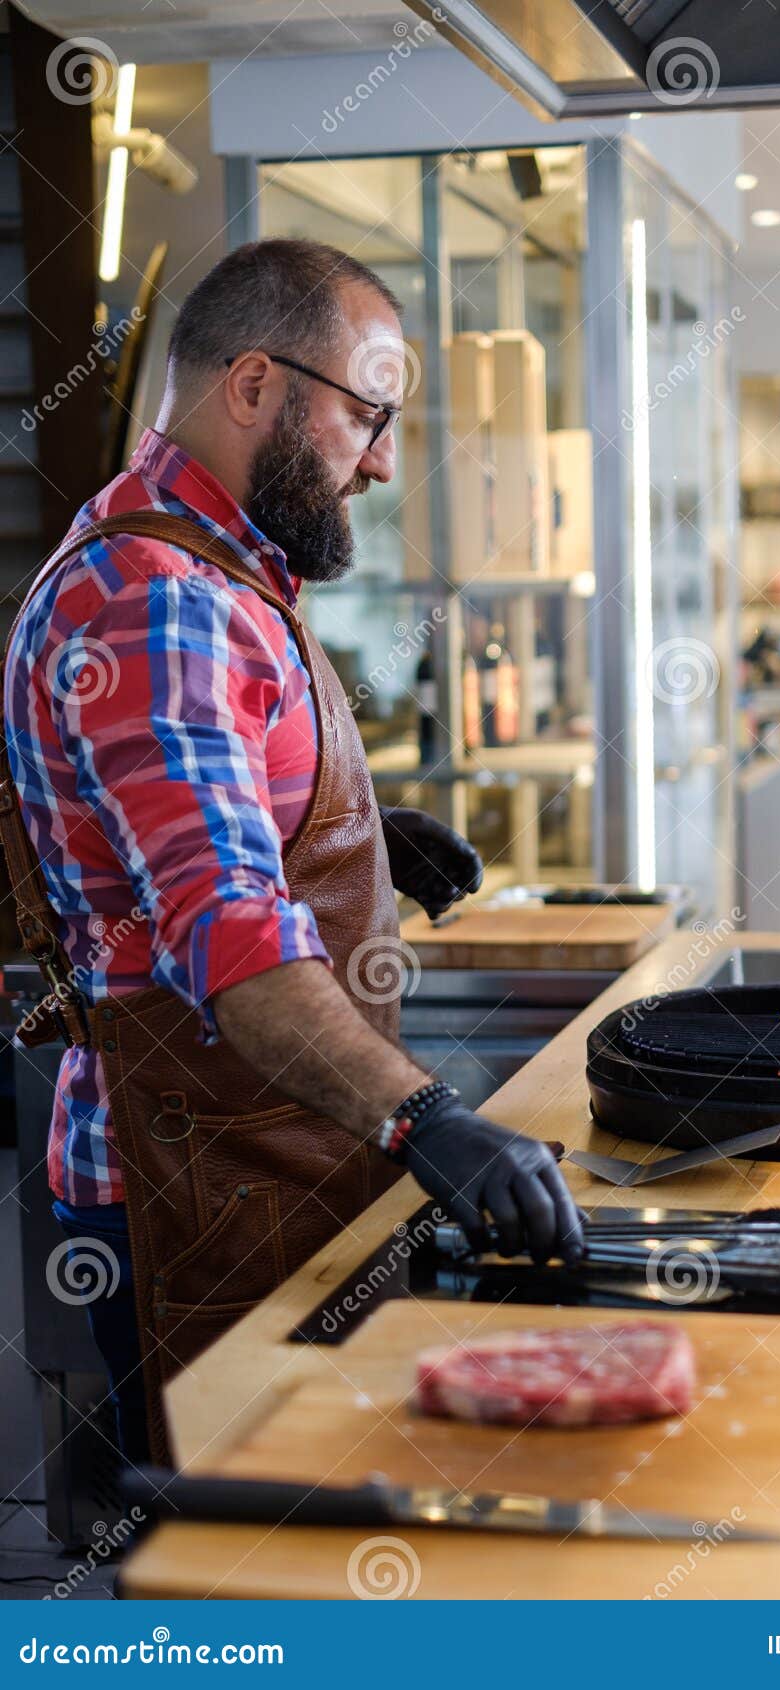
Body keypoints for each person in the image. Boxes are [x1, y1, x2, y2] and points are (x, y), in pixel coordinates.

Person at [1, 238, 583, 1462]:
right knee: (253, 1598)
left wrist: (353, 831)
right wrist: (432, 1121)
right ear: (256, 387)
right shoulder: (161, 595)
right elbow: (231, 943)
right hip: (202, 1189)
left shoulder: (202, 563)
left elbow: (194, 839)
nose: (379, 464)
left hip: (263, 1158)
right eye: (367, 418)